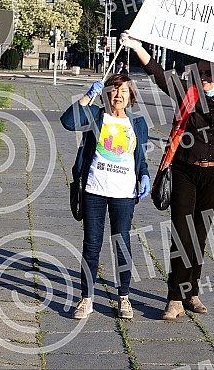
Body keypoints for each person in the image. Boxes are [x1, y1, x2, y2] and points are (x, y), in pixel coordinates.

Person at [121, 30, 214, 321]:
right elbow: (159, 74)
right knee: (182, 232)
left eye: (210, 72)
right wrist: (138, 48)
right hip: (184, 171)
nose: (205, 76)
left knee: (199, 233)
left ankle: (191, 292)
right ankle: (175, 299)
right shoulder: (186, 93)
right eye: (200, 71)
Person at [60, 74, 151, 320]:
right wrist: (88, 95)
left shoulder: (138, 123)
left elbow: (139, 157)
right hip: (95, 190)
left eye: (124, 91)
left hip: (123, 193)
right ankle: (86, 298)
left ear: (131, 95)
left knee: (122, 244)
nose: (118, 95)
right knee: (91, 246)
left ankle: (124, 297)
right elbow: (68, 122)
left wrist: (144, 175)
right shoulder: (96, 116)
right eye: (113, 90)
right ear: (106, 93)